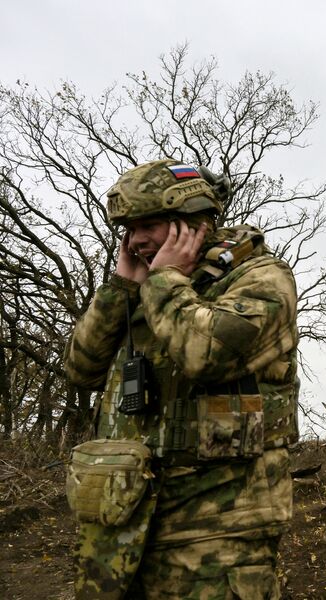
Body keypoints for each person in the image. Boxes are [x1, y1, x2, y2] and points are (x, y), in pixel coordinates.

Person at [64, 159, 299, 599]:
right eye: (128, 231)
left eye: (146, 226)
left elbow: (206, 354)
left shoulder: (261, 279)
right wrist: (119, 289)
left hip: (216, 531)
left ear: (190, 224)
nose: (134, 241)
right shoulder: (145, 288)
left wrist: (165, 281)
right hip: (124, 519)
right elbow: (81, 370)